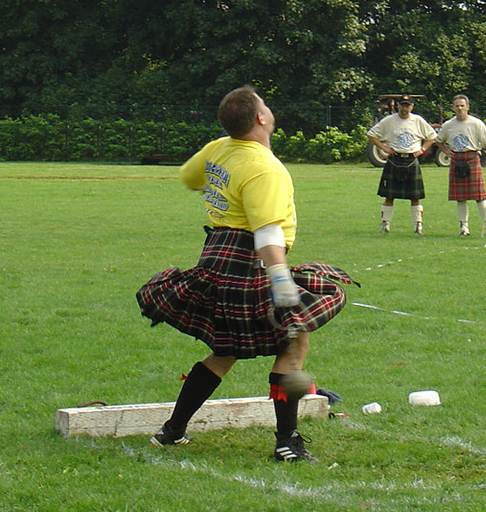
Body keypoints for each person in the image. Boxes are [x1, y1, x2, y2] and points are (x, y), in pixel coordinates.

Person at [136, 86, 356, 463]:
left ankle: (172, 431)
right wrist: (281, 280)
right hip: (251, 260)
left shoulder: (218, 148)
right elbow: (267, 233)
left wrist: (225, 192)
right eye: (265, 105)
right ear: (260, 118)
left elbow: (190, 179)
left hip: (216, 255)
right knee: (294, 341)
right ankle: (287, 443)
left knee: (225, 349)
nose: (270, 109)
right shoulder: (265, 169)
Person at [366, 96, 437, 234]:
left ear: (412, 106)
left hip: (411, 160)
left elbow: (432, 136)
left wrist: (422, 149)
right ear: (398, 105)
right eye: (402, 105)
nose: (405, 108)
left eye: (407, 105)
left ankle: (418, 225)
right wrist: (384, 148)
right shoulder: (388, 121)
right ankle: (385, 224)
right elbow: (371, 135)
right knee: (389, 196)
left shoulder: (418, 120)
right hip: (394, 159)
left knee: (415, 197)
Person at [434, 94, 486, 237]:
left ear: (468, 107)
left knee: (480, 196)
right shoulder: (448, 125)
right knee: (460, 197)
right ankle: (464, 228)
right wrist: (445, 151)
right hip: (456, 159)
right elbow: (438, 141)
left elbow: (485, 142)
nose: (460, 108)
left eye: (462, 105)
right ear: (453, 108)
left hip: (472, 158)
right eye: (457, 106)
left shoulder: (476, 123)